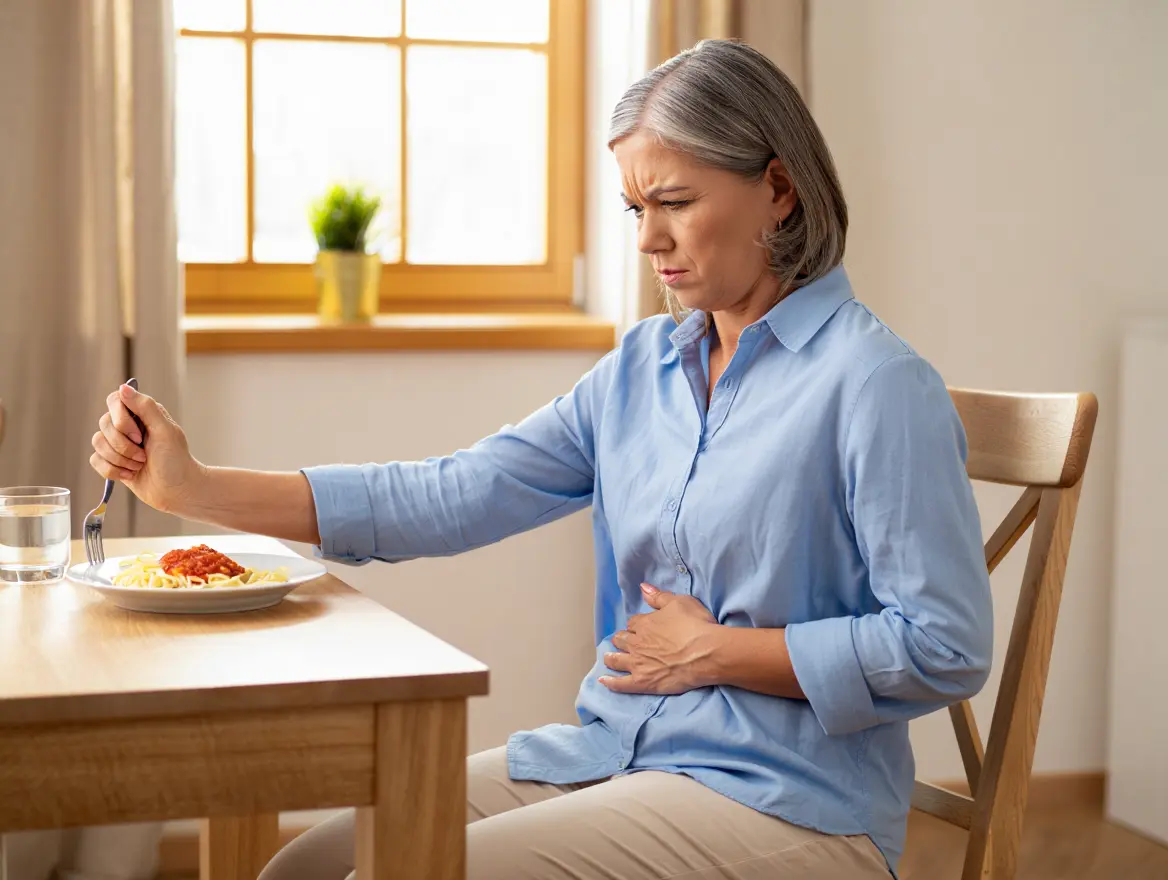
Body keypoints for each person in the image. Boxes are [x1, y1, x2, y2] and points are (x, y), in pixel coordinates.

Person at [90, 39, 992, 880]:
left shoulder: (876, 384)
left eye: (676, 202)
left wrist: (718, 652)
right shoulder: (642, 369)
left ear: (780, 189)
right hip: (619, 748)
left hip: (793, 801)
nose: (647, 240)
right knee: (305, 869)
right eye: (636, 209)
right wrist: (194, 488)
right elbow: (456, 494)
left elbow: (944, 646)